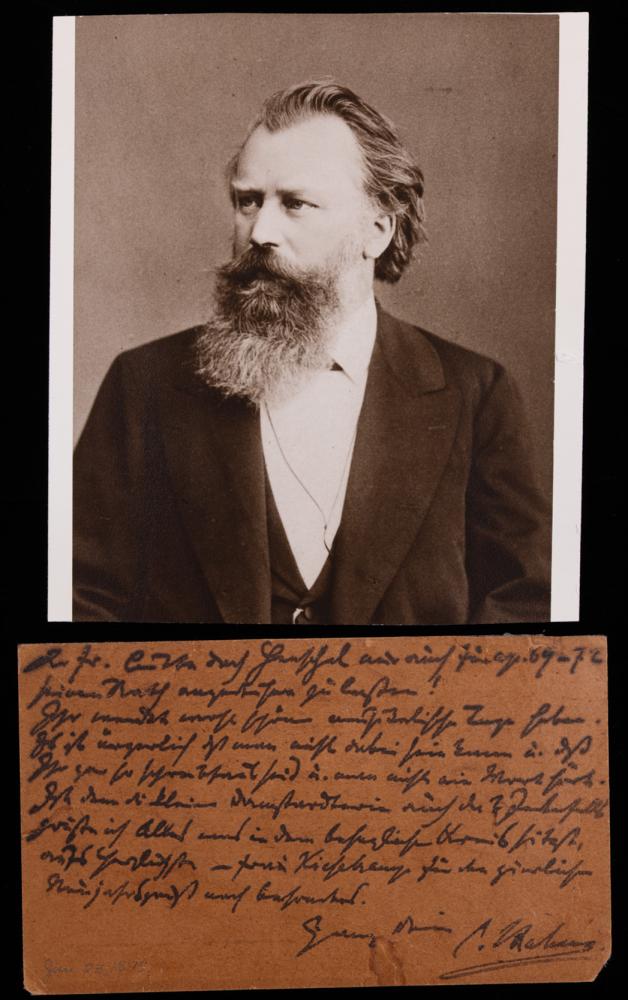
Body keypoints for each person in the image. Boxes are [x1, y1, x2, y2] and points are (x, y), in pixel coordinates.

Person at [73, 80, 551, 624]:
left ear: (376, 231)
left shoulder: (475, 393)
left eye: (296, 204)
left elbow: (522, 607)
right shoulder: (145, 384)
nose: (260, 232)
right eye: (248, 201)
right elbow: (79, 599)